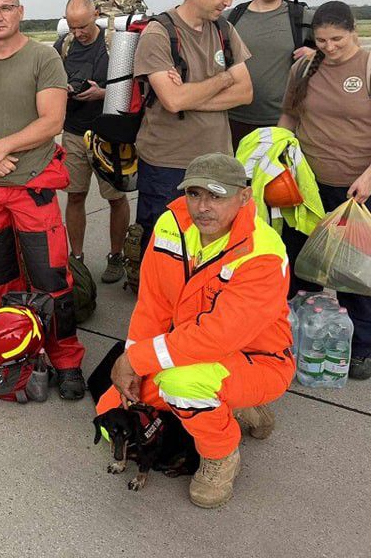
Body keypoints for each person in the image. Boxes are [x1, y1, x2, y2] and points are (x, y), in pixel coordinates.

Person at [98, 153, 293, 508]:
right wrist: (132, 364)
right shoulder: (171, 224)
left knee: (182, 385)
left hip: (257, 361)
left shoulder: (263, 252)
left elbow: (218, 335)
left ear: (244, 197)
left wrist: (138, 358)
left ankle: (221, 454)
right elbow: (152, 305)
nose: (202, 207)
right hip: (189, 349)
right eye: (194, 194)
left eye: (216, 196)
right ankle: (235, 406)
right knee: (110, 411)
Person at [0, 0, 86, 400]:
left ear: (20, 11)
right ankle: (12, 348)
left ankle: (66, 360)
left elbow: (52, 121)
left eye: (5, 7)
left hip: (32, 188)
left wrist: (1, 147)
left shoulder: (43, 58)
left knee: (51, 279)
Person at [133, 0, 253, 249]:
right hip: (168, 165)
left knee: (212, 246)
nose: (228, 2)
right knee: (166, 246)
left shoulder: (224, 30)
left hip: (217, 162)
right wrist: (224, 79)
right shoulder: (159, 33)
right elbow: (172, 101)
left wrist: (189, 95)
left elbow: (245, 93)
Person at [278, 1, 371, 380]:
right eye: (321, 40)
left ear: (354, 32)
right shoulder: (303, 67)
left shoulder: (366, 66)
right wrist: (278, 150)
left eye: (337, 39)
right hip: (306, 186)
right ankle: (301, 334)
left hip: (356, 188)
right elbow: (289, 114)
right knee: (302, 266)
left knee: (353, 273)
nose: (329, 47)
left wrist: (369, 176)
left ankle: (362, 345)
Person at [54, 0, 130, 284]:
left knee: (115, 197)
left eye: (83, 26)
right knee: (74, 196)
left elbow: (135, 86)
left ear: (96, 14)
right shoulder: (64, 45)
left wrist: (103, 93)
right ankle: (77, 258)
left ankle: (116, 255)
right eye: (72, 27)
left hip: (109, 133)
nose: (78, 33)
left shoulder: (115, 43)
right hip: (73, 132)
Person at [227, 0, 314, 149]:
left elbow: (343, 46)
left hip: (281, 121)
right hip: (232, 119)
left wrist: (318, 55)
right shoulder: (232, 17)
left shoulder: (302, 17)